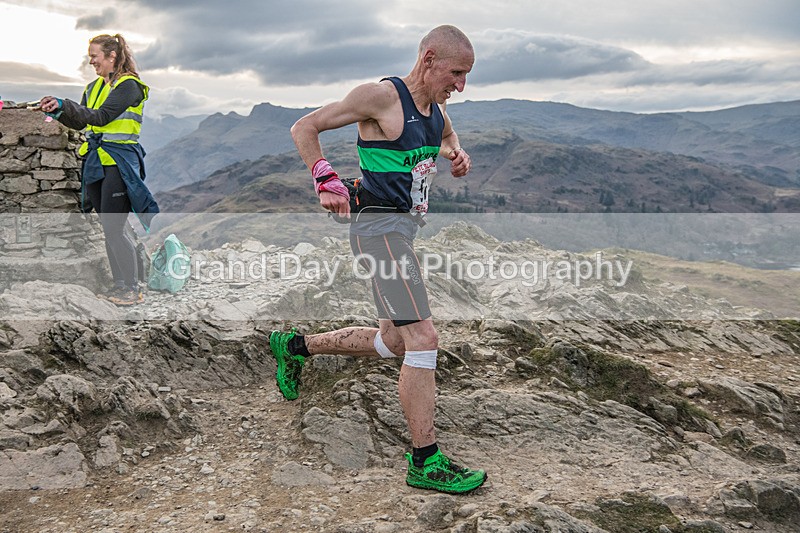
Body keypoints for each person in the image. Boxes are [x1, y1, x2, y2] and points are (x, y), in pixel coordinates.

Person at [271, 25, 486, 494]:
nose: (461, 85)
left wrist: (457, 153)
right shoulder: (382, 98)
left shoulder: (435, 110)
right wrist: (325, 178)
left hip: (401, 233)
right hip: (379, 232)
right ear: (428, 58)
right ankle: (425, 461)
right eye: (456, 73)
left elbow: (446, 135)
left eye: (467, 75)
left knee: (394, 341)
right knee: (423, 337)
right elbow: (304, 126)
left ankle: (294, 346)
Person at [39, 33, 158, 306]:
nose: (91, 61)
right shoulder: (93, 88)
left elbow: (102, 117)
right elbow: (83, 122)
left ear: (111, 56)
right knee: (109, 227)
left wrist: (64, 103)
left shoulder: (130, 86)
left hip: (119, 163)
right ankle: (120, 285)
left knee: (114, 228)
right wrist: (58, 110)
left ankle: (131, 288)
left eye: (94, 55)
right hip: (96, 162)